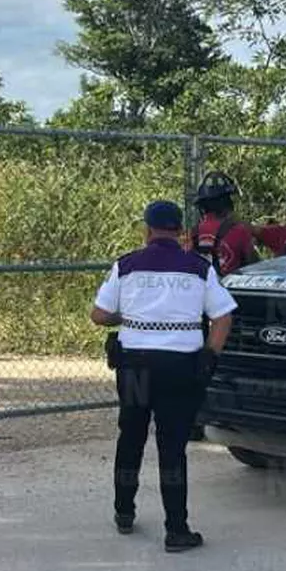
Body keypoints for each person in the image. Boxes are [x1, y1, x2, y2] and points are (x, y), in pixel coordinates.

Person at [91, 200, 236, 552]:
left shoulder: (126, 265)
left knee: (131, 437)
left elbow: (99, 315)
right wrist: (209, 356)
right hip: (180, 367)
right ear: (180, 231)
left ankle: (124, 512)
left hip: (136, 366)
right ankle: (176, 530)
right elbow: (223, 316)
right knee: (172, 447)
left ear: (147, 230)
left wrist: (126, 317)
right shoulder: (199, 268)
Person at [192, 171, 259, 277]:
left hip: (201, 286)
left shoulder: (192, 233)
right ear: (229, 202)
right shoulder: (239, 231)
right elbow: (255, 268)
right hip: (231, 286)